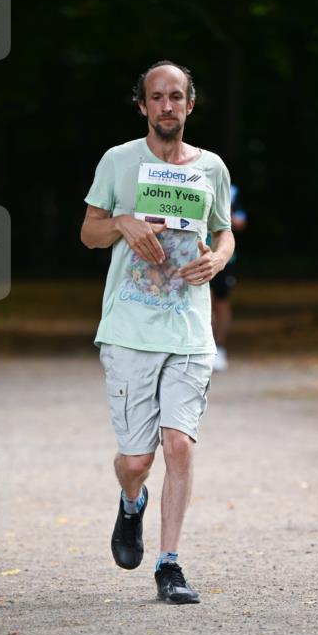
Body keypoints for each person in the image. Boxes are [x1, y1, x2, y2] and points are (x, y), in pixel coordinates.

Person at [80, 61, 235, 604]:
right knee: (137, 462)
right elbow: (89, 233)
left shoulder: (211, 168)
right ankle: (131, 502)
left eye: (176, 96)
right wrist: (122, 223)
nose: (166, 105)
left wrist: (218, 258)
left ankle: (169, 565)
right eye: (156, 97)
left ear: (190, 104)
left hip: (188, 328)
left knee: (179, 445)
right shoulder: (118, 161)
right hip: (129, 329)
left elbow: (223, 231)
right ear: (142, 105)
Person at [210, 184, 247, 371]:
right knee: (203, 303)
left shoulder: (232, 191)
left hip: (223, 258)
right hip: (194, 255)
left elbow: (240, 223)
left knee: (221, 303)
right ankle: (205, 348)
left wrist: (223, 212)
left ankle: (219, 347)